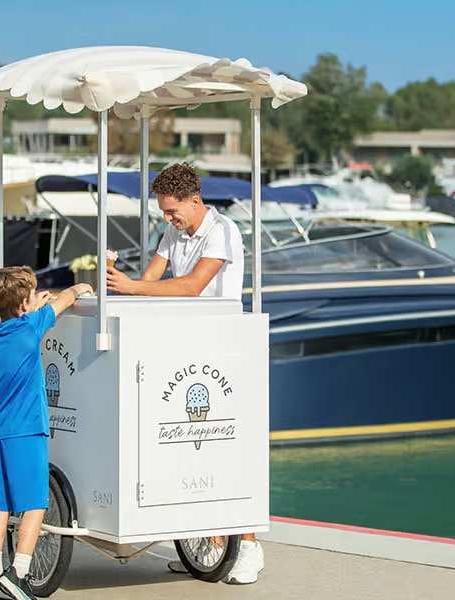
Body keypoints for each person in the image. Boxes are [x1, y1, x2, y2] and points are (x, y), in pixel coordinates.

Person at [107, 162, 264, 585]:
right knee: (188, 447)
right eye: (165, 213)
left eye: (174, 212)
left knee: (226, 448)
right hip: (185, 347)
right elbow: (151, 279)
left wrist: (133, 288)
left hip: (224, 347)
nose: (169, 219)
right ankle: (206, 547)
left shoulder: (223, 231)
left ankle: (247, 546)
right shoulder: (174, 231)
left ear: (195, 202)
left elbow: (192, 285)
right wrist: (118, 286)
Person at [0, 266, 92, 600]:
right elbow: (66, 299)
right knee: (34, 503)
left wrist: (31, 302)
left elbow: (31, 311)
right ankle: (19, 574)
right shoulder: (30, 326)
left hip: (0, 429)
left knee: (0, 504)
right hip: (27, 429)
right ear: (25, 305)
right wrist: (79, 287)